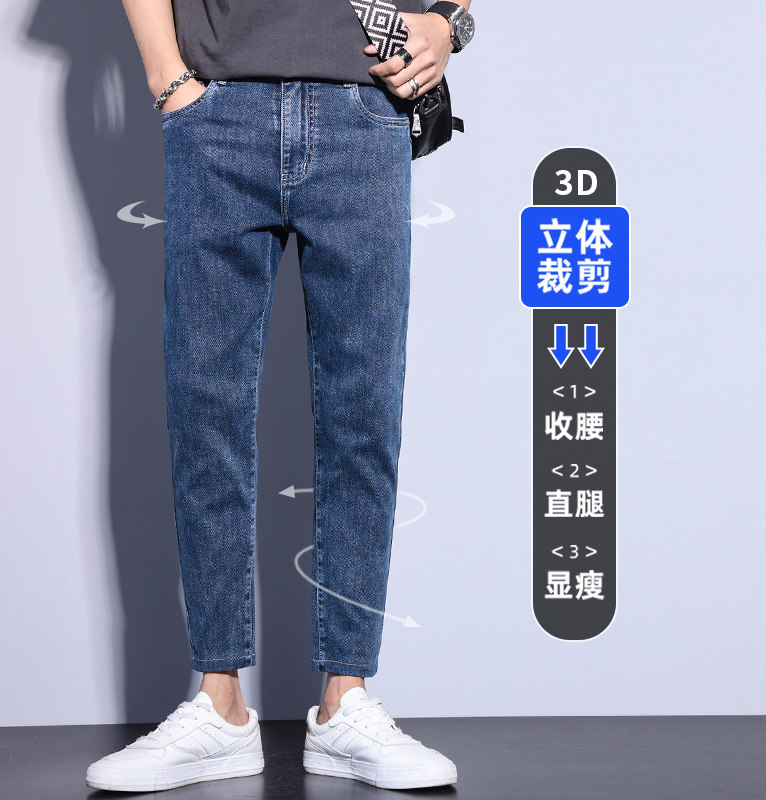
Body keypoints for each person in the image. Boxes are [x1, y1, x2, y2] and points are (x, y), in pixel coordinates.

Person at [86, 0, 475, 792]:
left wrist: (448, 23)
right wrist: (168, 79)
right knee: (207, 412)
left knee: (364, 414)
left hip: (365, 110)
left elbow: (452, 12)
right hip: (218, 110)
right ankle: (218, 704)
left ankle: (346, 700)